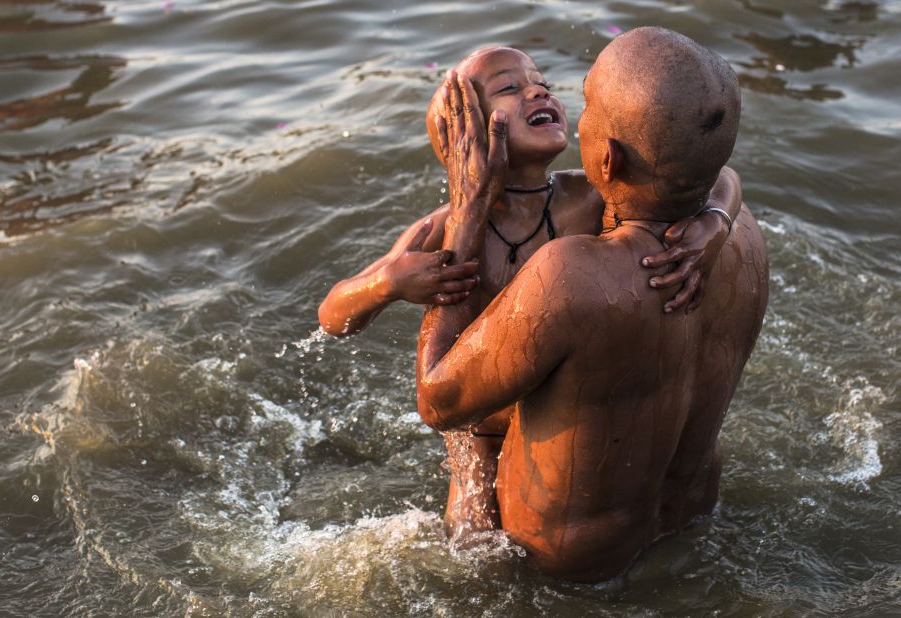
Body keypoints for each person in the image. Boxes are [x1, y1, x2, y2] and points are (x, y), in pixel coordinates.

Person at [317, 46, 745, 541]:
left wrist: (716, 224)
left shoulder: (587, 195)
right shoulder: (438, 231)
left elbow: (718, 175)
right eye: (508, 88)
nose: (538, 90)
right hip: (476, 435)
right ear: (462, 137)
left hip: (557, 421)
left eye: (540, 82)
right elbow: (333, 315)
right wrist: (388, 283)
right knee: (472, 543)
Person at [416, 27, 769, 582]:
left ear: (606, 161)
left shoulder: (569, 276)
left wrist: (466, 213)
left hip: (565, 567)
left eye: (588, 109)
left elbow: (439, 403)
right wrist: (719, 213)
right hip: (692, 517)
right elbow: (720, 176)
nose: (568, 114)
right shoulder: (738, 234)